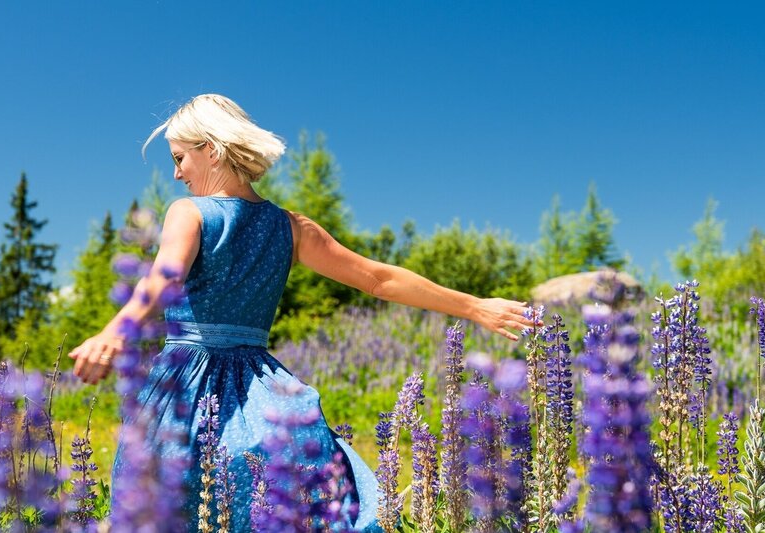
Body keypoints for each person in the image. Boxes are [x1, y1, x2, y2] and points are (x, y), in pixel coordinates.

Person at [69, 94, 535, 531]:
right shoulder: (290, 227)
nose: (176, 174)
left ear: (210, 150)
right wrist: (475, 306)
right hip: (262, 390)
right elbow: (379, 279)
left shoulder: (188, 212)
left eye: (179, 158)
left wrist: (115, 332)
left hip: (187, 383)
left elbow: (164, 278)